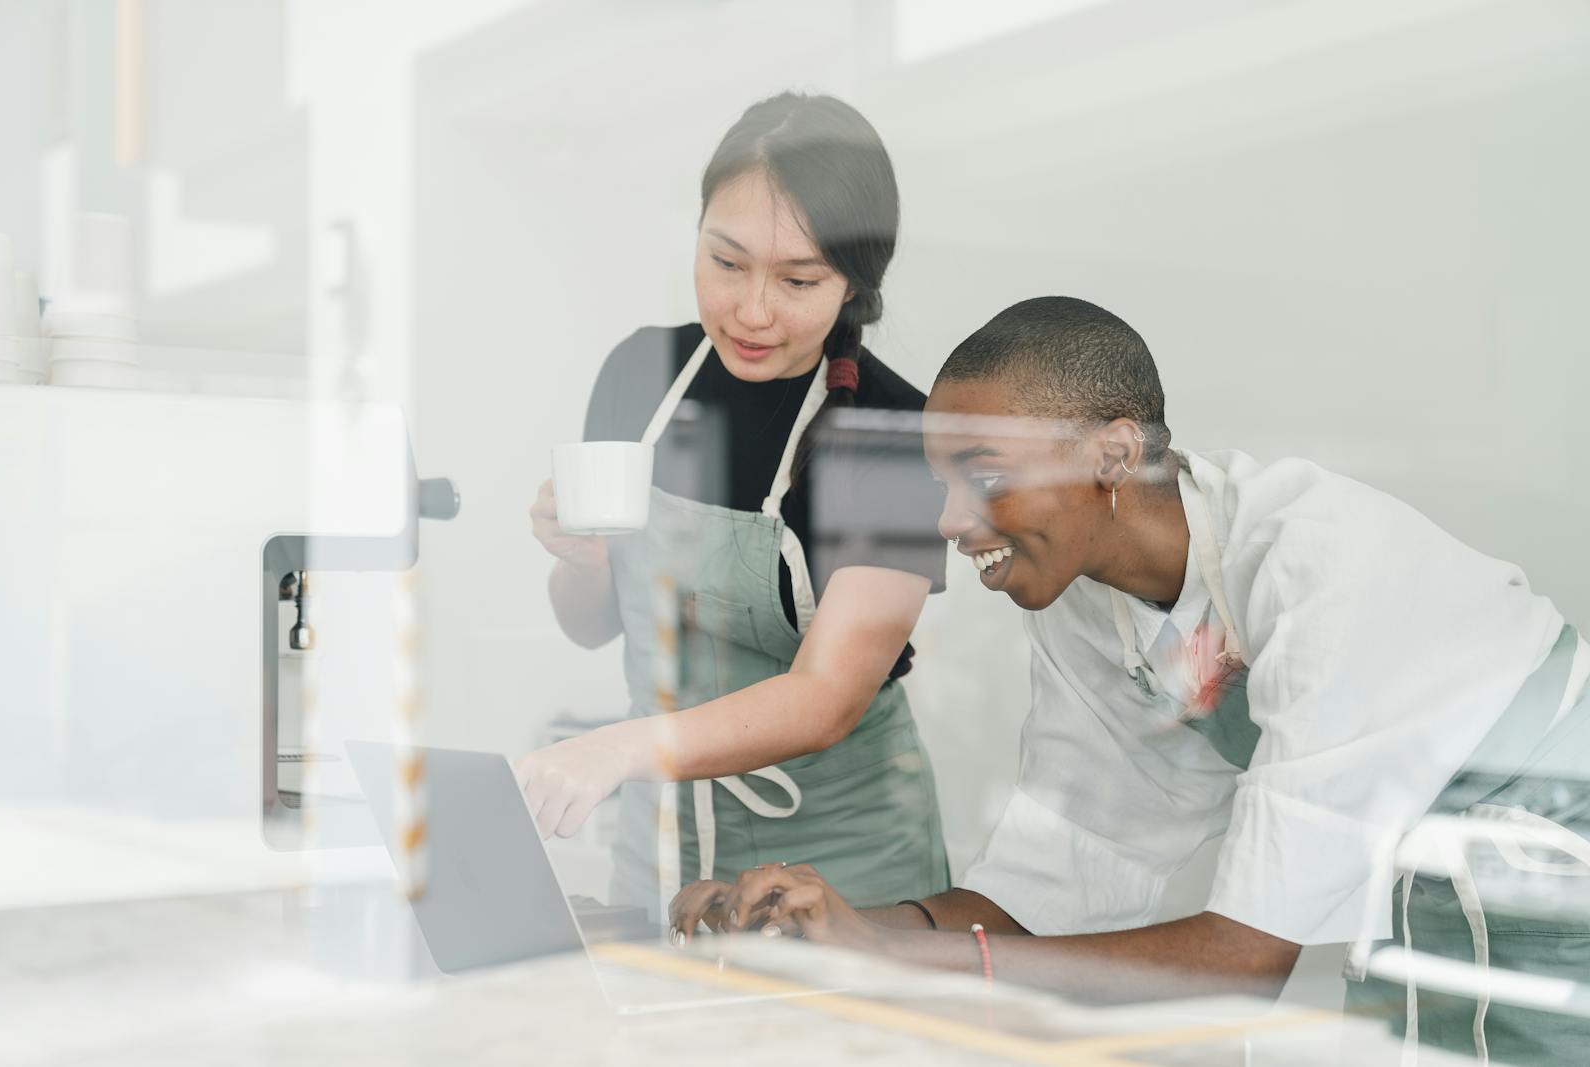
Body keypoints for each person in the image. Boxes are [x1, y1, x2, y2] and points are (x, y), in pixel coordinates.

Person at [669, 296, 1590, 1064]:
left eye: (982, 475)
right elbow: (1044, 892)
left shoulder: (1320, 567)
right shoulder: (1087, 608)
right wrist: (816, 926)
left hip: (1561, 900)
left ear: (1111, 454)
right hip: (1439, 928)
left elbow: (1239, 963)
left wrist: (880, 957)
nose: (949, 520)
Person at [520, 92, 951, 923]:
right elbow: (591, 621)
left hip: (846, 858)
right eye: (726, 262)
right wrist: (582, 560)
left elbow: (828, 697)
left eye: (798, 280)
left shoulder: (895, 432)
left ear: (854, 286)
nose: (752, 311)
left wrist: (617, 749)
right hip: (665, 842)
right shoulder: (639, 375)